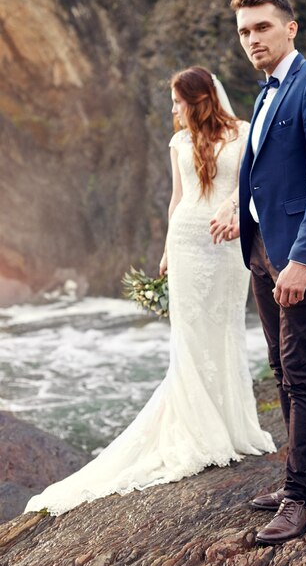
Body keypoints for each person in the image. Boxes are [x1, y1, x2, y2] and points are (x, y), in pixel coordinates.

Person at [24, 66, 275, 517]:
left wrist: (237, 211)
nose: (173, 109)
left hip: (228, 244)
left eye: (178, 101)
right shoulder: (179, 143)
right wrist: (165, 251)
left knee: (225, 329)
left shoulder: (243, 132)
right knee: (190, 336)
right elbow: (177, 199)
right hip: (186, 245)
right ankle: (199, 428)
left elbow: (251, 186)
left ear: (199, 100)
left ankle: (232, 425)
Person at [213, 0, 306, 544]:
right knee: (279, 364)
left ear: (289, 28)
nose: (253, 40)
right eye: (245, 32)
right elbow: (263, 173)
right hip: (262, 251)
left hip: (299, 255)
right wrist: (237, 209)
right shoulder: (265, 91)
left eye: (262, 28)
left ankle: (299, 498)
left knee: (301, 370)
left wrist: (301, 259)